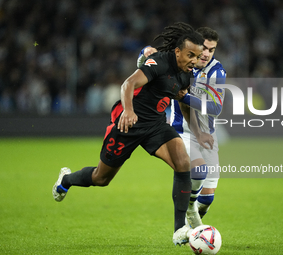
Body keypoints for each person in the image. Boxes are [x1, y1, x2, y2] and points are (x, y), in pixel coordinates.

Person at [52, 22, 204, 246]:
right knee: (101, 178)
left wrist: (196, 129)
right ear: (178, 51)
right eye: (190, 54)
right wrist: (129, 111)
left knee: (183, 163)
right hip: (128, 126)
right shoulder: (159, 62)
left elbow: (180, 99)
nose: (194, 60)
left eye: (198, 56)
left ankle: (180, 228)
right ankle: (66, 180)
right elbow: (128, 83)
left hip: (156, 126)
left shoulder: (187, 74)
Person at [137, 27, 226, 228]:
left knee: (207, 199)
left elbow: (215, 107)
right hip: (182, 131)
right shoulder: (184, 62)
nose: (206, 54)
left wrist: (184, 96)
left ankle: (193, 224)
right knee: (197, 172)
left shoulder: (216, 72)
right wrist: (145, 51)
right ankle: (188, 225)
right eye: (203, 48)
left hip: (207, 135)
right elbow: (154, 57)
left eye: (211, 50)